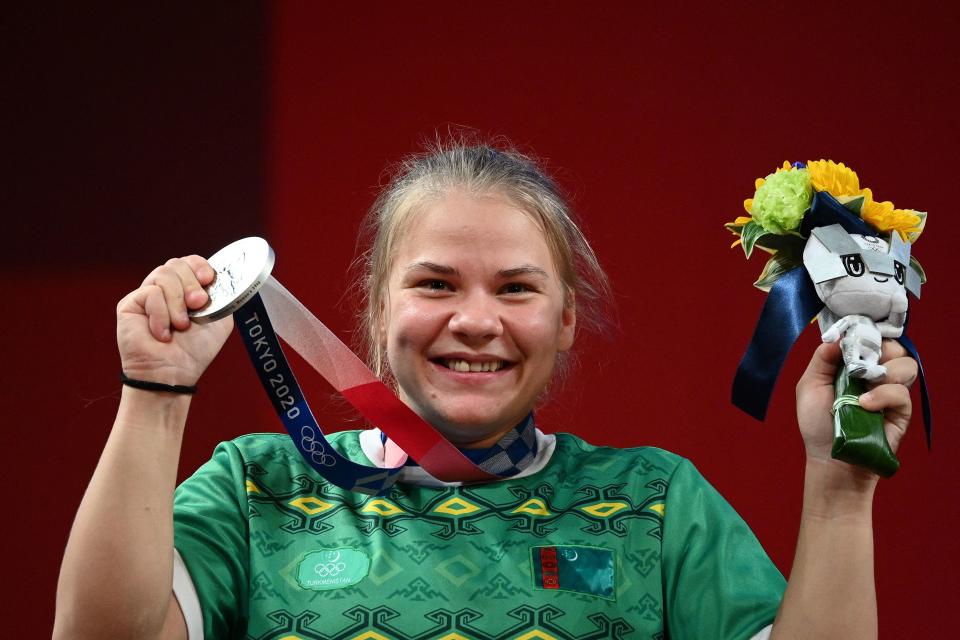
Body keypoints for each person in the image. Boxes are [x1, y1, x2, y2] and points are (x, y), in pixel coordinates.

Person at [54, 141, 916, 639]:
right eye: (434, 285)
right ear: (375, 309)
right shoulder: (257, 491)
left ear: (567, 319)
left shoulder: (657, 505)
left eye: (515, 288)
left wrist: (842, 495)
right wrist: (154, 391)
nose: (475, 320)